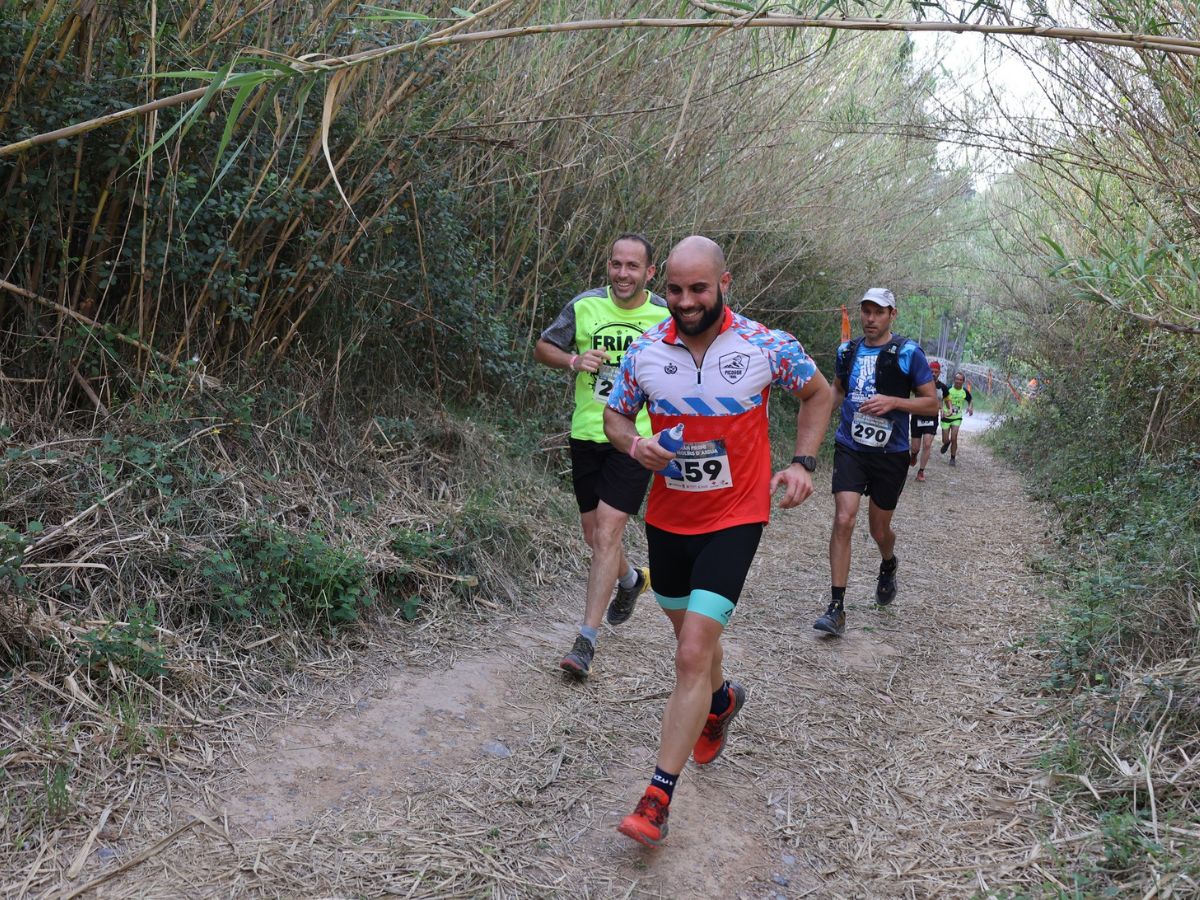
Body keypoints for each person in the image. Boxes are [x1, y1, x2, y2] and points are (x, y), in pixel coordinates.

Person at [602, 235, 832, 846]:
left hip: (737, 515)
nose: (685, 301)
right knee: (694, 647)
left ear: (724, 282)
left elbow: (818, 393)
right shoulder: (646, 351)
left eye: (698, 288)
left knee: (689, 652)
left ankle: (655, 798)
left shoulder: (765, 345)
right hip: (668, 518)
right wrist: (633, 444)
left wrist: (803, 461)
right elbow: (615, 415)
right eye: (674, 289)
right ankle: (722, 700)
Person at [534, 234, 668, 679]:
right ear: (608, 266)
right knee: (594, 535)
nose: (623, 273)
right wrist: (573, 361)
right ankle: (631, 581)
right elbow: (543, 347)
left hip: (635, 439)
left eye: (633, 266)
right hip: (588, 432)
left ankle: (585, 641)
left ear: (650, 272)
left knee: (609, 532)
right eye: (617, 264)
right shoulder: (585, 306)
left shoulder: (666, 314)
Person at [813, 288, 940, 638]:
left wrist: (894, 402)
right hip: (850, 446)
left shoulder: (908, 352)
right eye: (866, 311)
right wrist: (820, 416)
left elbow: (932, 405)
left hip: (891, 452)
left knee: (878, 529)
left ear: (891, 315)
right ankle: (837, 608)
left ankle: (888, 562)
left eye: (878, 312)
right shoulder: (847, 351)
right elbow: (836, 390)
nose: (870, 319)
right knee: (843, 518)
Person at [909, 359, 948, 482]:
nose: (933, 373)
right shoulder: (919, 384)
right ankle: (914, 455)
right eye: (931, 371)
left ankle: (921, 471)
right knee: (915, 447)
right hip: (917, 416)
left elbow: (947, 400)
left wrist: (946, 409)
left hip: (931, 418)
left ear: (939, 373)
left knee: (927, 444)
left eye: (936, 372)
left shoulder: (942, 387)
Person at [938, 370, 974, 466]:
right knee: (945, 440)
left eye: (960, 380)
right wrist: (941, 409)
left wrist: (970, 407)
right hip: (946, 417)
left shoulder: (964, 391)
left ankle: (952, 458)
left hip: (957, 418)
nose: (958, 381)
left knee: (954, 437)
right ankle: (946, 443)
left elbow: (970, 400)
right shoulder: (948, 389)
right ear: (954, 380)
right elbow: (940, 399)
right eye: (957, 379)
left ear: (963, 381)